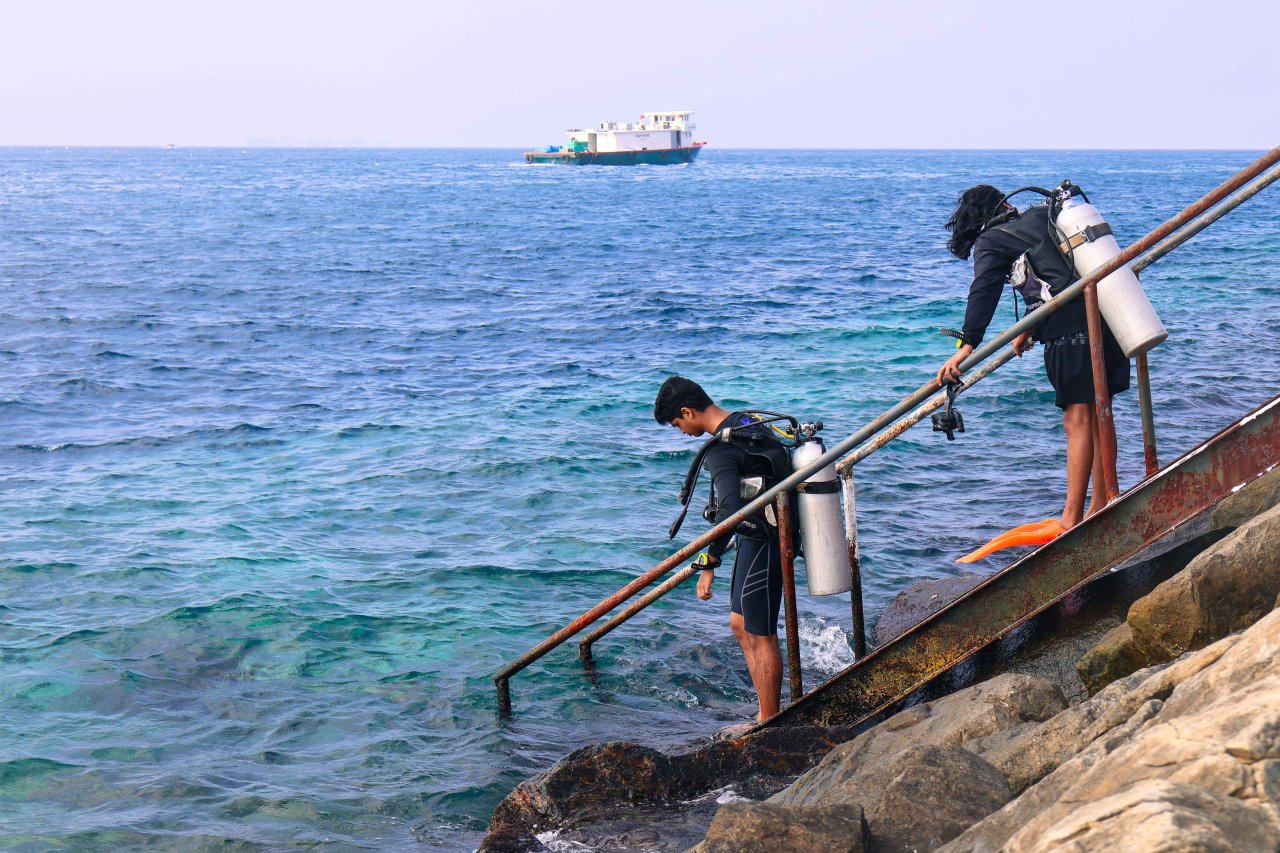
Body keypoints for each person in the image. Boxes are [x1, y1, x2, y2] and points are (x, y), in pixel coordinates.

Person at [937, 184, 1131, 539]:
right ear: (1004, 204)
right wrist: (1029, 327)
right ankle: (1102, 502)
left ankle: (1071, 518)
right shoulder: (1043, 215)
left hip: (1071, 331)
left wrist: (966, 345)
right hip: (1110, 315)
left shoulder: (991, 240)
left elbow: (983, 290)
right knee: (1100, 413)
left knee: (1077, 420)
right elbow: (1055, 274)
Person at [653, 376, 784, 722]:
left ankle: (769, 720)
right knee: (740, 624)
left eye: (677, 424)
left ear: (687, 412)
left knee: (760, 633)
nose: (681, 431)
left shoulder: (722, 449)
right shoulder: (746, 422)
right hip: (758, 534)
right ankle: (765, 711)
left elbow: (729, 512)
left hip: (766, 538)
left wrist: (708, 562)